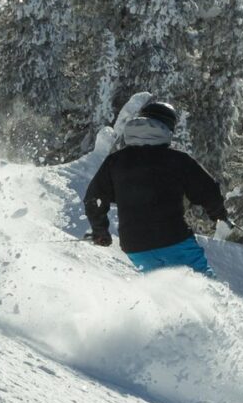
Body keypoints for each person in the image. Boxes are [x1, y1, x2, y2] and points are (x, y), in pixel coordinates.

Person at [83, 101, 231, 276]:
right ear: (167, 127)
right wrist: (219, 214)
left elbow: (94, 198)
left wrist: (100, 231)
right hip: (174, 238)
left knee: (164, 294)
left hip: (135, 246)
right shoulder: (178, 160)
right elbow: (208, 191)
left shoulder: (116, 161)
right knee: (204, 285)